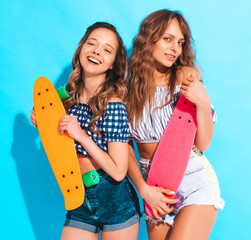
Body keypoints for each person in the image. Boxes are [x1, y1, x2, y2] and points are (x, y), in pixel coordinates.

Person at [30, 22, 141, 240]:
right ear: (81, 48)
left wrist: (81, 134)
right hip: (77, 193)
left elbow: (119, 171)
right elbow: (58, 136)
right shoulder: (69, 96)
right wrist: (42, 118)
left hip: (114, 199)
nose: (97, 51)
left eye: (107, 50)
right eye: (92, 43)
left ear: (112, 64)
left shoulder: (113, 105)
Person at [125, 9, 224, 240]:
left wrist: (203, 102)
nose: (174, 49)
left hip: (193, 179)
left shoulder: (185, 77)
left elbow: (204, 143)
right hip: (154, 186)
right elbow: (124, 147)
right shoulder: (126, 90)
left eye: (179, 42)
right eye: (167, 39)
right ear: (148, 39)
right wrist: (143, 188)